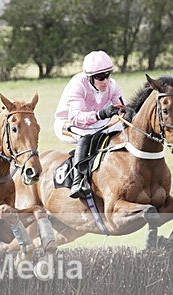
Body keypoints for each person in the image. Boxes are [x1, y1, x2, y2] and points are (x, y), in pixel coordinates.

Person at [54, 50, 125, 198]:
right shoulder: (78, 85)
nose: (105, 81)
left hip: (98, 124)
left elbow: (123, 110)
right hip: (68, 123)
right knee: (86, 135)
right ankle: (78, 181)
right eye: (100, 78)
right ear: (89, 78)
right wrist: (101, 114)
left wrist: (124, 114)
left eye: (108, 75)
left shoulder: (113, 85)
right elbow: (76, 118)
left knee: (122, 130)